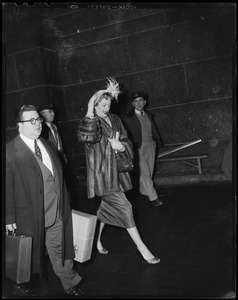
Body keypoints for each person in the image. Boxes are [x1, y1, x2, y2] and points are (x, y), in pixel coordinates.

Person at [77, 78, 160, 264]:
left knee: (105, 211)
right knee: (125, 207)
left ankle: (94, 241)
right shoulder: (91, 120)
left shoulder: (115, 119)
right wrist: (90, 110)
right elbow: (87, 138)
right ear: (95, 104)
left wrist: (121, 146)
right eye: (102, 105)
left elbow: (127, 140)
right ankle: (142, 248)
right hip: (102, 174)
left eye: (108, 104)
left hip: (118, 173)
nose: (106, 108)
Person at [5, 104, 84, 297]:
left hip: (55, 211)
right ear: (19, 125)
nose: (37, 124)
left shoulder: (47, 144)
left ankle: (69, 282)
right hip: (29, 214)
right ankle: (20, 284)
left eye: (38, 119)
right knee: (27, 255)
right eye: (31, 121)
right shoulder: (9, 152)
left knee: (60, 250)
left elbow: (58, 178)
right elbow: (6, 187)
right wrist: (8, 217)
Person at [122, 91, 163, 207]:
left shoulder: (148, 115)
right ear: (133, 104)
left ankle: (143, 191)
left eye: (141, 101)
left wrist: (156, 141)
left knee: (149, 171)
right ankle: (153, 197)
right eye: (136, 101)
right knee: (144, 172)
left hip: (151, 145)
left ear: (145, 102)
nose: (138, 103)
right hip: (137, 147)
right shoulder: (128, 117)